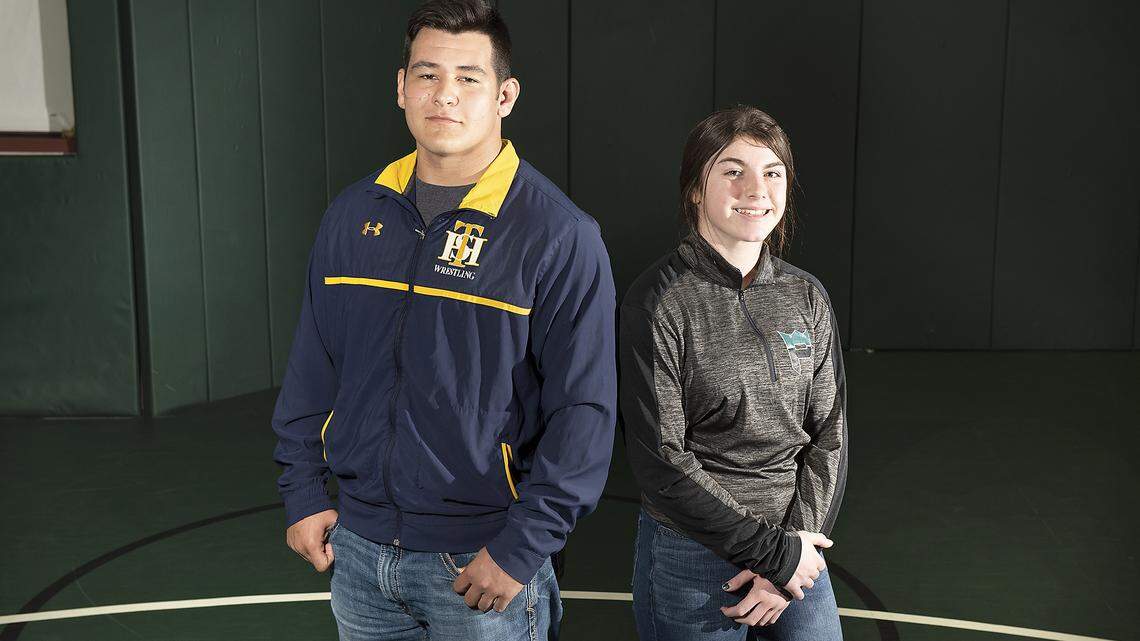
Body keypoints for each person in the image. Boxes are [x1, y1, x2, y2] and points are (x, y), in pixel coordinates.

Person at [270, 1, 617, 639]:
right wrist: (303, 492)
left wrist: (520, 549)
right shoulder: (353, 215)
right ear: (401, 88)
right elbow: (313, 370)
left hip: (482, 562)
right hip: (360, 556)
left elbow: (584, 414)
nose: (445, 96)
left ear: (505, 95)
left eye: (469, 78)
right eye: (427, 75)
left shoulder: (559, 235)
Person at [620, 105, 848, 641]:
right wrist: (772, 553)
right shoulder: (657, 301)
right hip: (693, 555)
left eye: (772, 172)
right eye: (732, 171)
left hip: (797, 548)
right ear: (695, 189)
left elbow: (829, 435)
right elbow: (662, 462)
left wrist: (794, 548)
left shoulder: (806, 295)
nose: (756, 188)